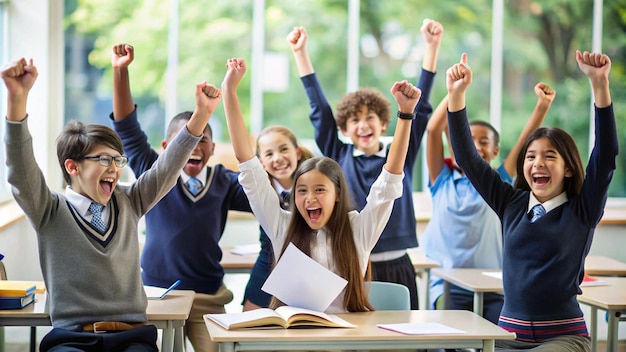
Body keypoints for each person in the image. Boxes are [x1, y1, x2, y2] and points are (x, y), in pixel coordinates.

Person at [2, 57, 220, 351]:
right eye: (105, 160)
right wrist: (17, 100)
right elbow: (21, 168)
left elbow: (166, 168)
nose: (115, 169)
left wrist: (201, 116)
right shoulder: (49, 211)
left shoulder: (130, 200)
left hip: (133, 336)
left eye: (119, 160)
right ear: (73, 167)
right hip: (72, 338)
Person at [446, 51, 616, 351]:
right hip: (508, 337)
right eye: (530, 156)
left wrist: (599, 85)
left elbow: (605, 157)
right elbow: (467, 158)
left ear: (569, 169)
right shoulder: (510, 202)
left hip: (564, 337)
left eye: (550, 156)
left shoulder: (582, 209)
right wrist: (456, 96)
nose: (538, 163)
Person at [222, 57, 421, 312]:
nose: (310, 199)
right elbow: (247, 163)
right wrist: (230, 90)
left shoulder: (358, 229)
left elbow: (390, 180)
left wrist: (405, 115)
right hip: (297, 338)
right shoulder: (281, 224)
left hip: (346, 340)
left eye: (319, 190)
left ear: (337, 194)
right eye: (302, 191)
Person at [287, 19, 443, 310]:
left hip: (397, 263)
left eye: (370, 117)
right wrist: (300, 53)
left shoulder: (400, 155)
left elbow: (417, 110)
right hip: (352, 265)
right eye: (354, 120)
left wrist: (431, 47)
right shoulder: (338, 155)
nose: (363, 125)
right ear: (344, 130)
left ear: (384, 122)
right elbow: (319, 111)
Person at [109, 44, 250, 352]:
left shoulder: (224, 181)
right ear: (166, 146)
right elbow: (126, 126)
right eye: (185, 139)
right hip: (155, 296)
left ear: (212, 150)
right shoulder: (153, 170)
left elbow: (262, 197)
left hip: (207, 299)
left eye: (203, 140)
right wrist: (121, 70)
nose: (194, 146)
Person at [422, 83, 555, 323]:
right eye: (469, 139)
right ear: (458, 145)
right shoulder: (441, 180)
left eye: (484, 142)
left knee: (501, 338)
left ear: (495, 151)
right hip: (448, 286)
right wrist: (455, 92)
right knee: (453, 338)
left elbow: (525, 143)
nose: (476, 146)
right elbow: (433, 131)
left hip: (493, 287)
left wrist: (542, 105)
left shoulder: (499, 183)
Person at [241, 125, 313, 311]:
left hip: (307, 274)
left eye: (284, 149)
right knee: (250, 331)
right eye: (269, 154)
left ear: (297, 152)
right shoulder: (261, 190)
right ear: (261, 163)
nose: (278, 158)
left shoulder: (315, 187)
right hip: (267, 269)